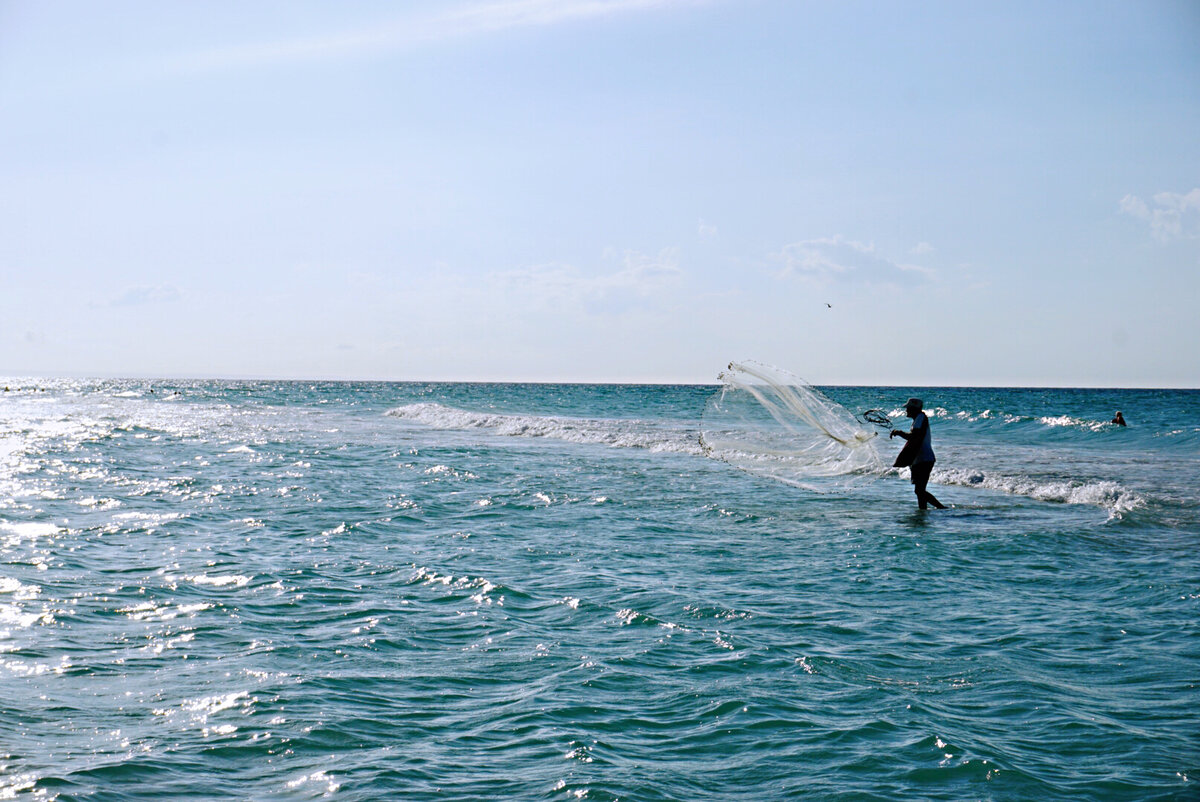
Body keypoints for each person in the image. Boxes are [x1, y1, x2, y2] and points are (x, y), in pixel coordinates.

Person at [890, 397, 945, 510]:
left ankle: (942, 508)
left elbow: (914, 437)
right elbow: (915, 437)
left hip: (924, 459)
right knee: (920, 491)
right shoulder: (918, 419)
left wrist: (899, 433)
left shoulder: (920, 417)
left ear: (914, 409)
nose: (906, 411)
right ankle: (922, 513)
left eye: (908, 408)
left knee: (919, 491)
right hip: (920, 459)